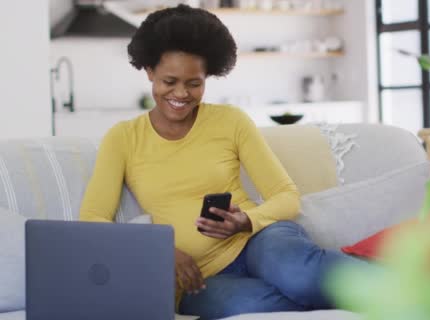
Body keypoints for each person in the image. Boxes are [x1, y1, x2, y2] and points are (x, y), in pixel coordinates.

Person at [79, 4, 355, 319]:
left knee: (299, 275)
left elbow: (287, 197)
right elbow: (93, 220)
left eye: (194, 83)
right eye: (169, 81)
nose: (181, 94)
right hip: (199, 277)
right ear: (149, 72)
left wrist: (246, 221)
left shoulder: (230, 121)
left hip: (258, 242)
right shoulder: (123, 137)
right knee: (249, 308)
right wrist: (160, 253)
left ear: (208, 77)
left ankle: (404, 288)